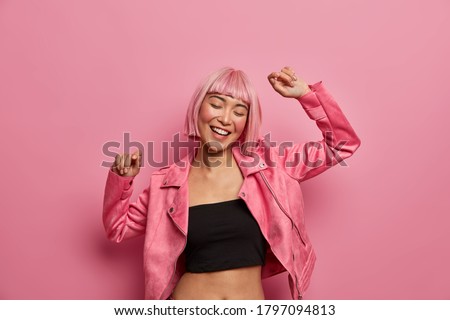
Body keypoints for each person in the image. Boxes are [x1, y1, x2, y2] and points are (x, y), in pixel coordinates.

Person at [102, 66, 361, 300]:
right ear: (198, 108)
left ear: (246, 122)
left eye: (239, 111)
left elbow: (342, 143)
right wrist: (122, 179)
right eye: (217, 104)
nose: (226, 119)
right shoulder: (167, 184)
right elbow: (117, 228)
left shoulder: (270, 166)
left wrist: (305, 95)